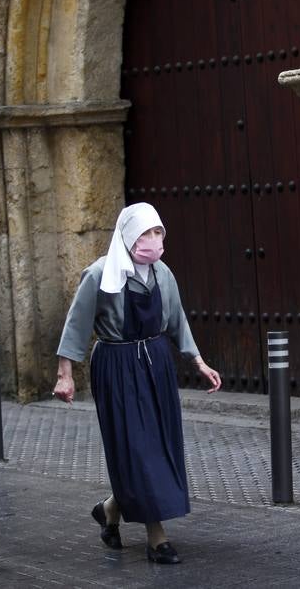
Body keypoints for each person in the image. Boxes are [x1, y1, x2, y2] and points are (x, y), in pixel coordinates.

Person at [53, 202, 221, 564]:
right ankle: (156, 537)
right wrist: (65, 375)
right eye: (146, 233)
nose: (154, 240)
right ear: (128, 236)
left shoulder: (163, 274)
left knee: (156, 445)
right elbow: (76, 326)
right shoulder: (99, 275)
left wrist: (199, 362)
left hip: (156, 364)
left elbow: (177, 322)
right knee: (137, 447)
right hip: (117, 366)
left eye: (158, 232)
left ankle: (110, 509)